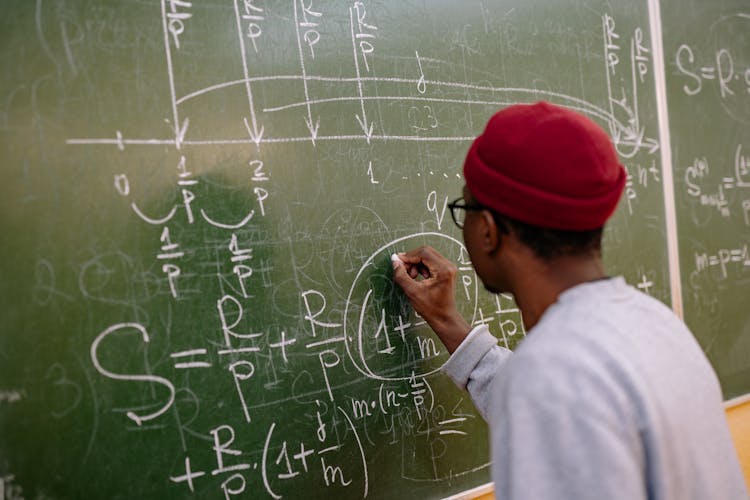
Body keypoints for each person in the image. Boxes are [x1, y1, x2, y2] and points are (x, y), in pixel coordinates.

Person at [391, 102, 748, 500]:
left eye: (466, 209)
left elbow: (554, 393)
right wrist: (446, 321)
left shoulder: (552, 375)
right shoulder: (656, 325)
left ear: (489, 230)